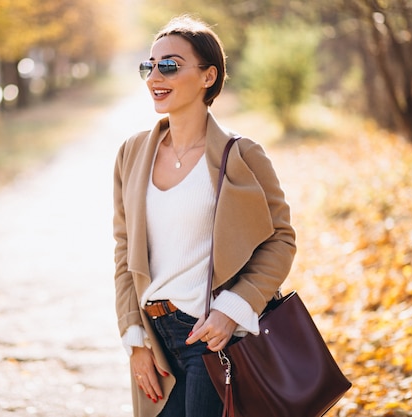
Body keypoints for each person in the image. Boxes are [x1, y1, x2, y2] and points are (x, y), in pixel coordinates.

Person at [112, 15, 297, 417]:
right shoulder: (131, 154)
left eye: (170, 65)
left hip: (212, 337)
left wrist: (233, 309)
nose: (155, 76)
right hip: (156, 340)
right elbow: (124, 249)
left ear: (208, 76)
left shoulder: (242, 155)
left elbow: (281, 239)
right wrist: (135, 338)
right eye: (150, 65)